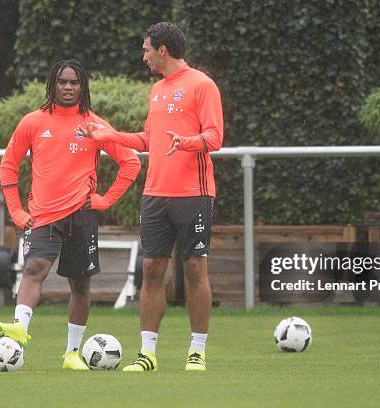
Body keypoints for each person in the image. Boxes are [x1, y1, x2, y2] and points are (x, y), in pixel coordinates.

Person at [80, 22, 223, 372]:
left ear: (162, 50)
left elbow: (215, 137)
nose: (143, 56)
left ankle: (197, 352)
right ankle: (147, 355)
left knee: (194, 268)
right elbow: (147, 139)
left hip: (194, 193)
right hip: (155, 194)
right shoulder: (157, 90)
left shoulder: (202, 85)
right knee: (151, 269)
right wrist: (107, 135)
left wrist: (186, 142)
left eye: (146, 50)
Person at [0, 59, 141, 370]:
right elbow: (8, 164)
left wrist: (105, 200)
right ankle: (18, 332)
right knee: (34, 268)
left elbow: (131, 163)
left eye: (74, 82)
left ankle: (72, 353)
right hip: (42, 216)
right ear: (52, 85)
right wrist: (16, 210)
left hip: (81, 216)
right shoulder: (32, 122)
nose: (68, 87)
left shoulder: (94, 126)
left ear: (82, 86)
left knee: (80, 285)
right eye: (62, 82)